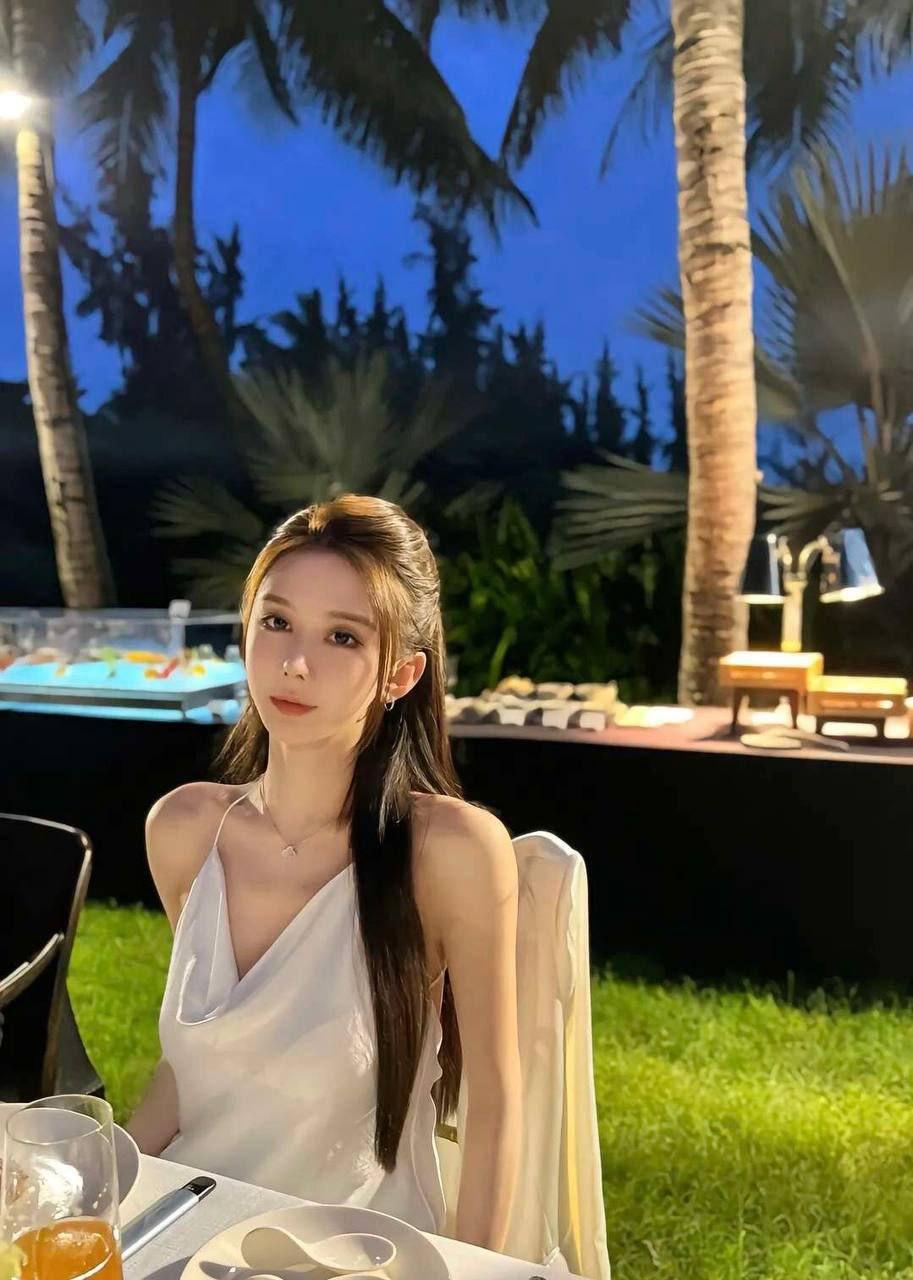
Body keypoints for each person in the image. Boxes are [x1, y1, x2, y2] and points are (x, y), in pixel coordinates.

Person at [126, 495, 523, 1252]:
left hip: (357, 1252)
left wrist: (474, 1269)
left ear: (401, 674)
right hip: (188, 1231)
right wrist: (107, 1188)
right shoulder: (183, 830)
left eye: (342, 636)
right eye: (276, 621)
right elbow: (203, 1065)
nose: (295, 663)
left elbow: (498, 1106)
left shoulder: (449, 852)